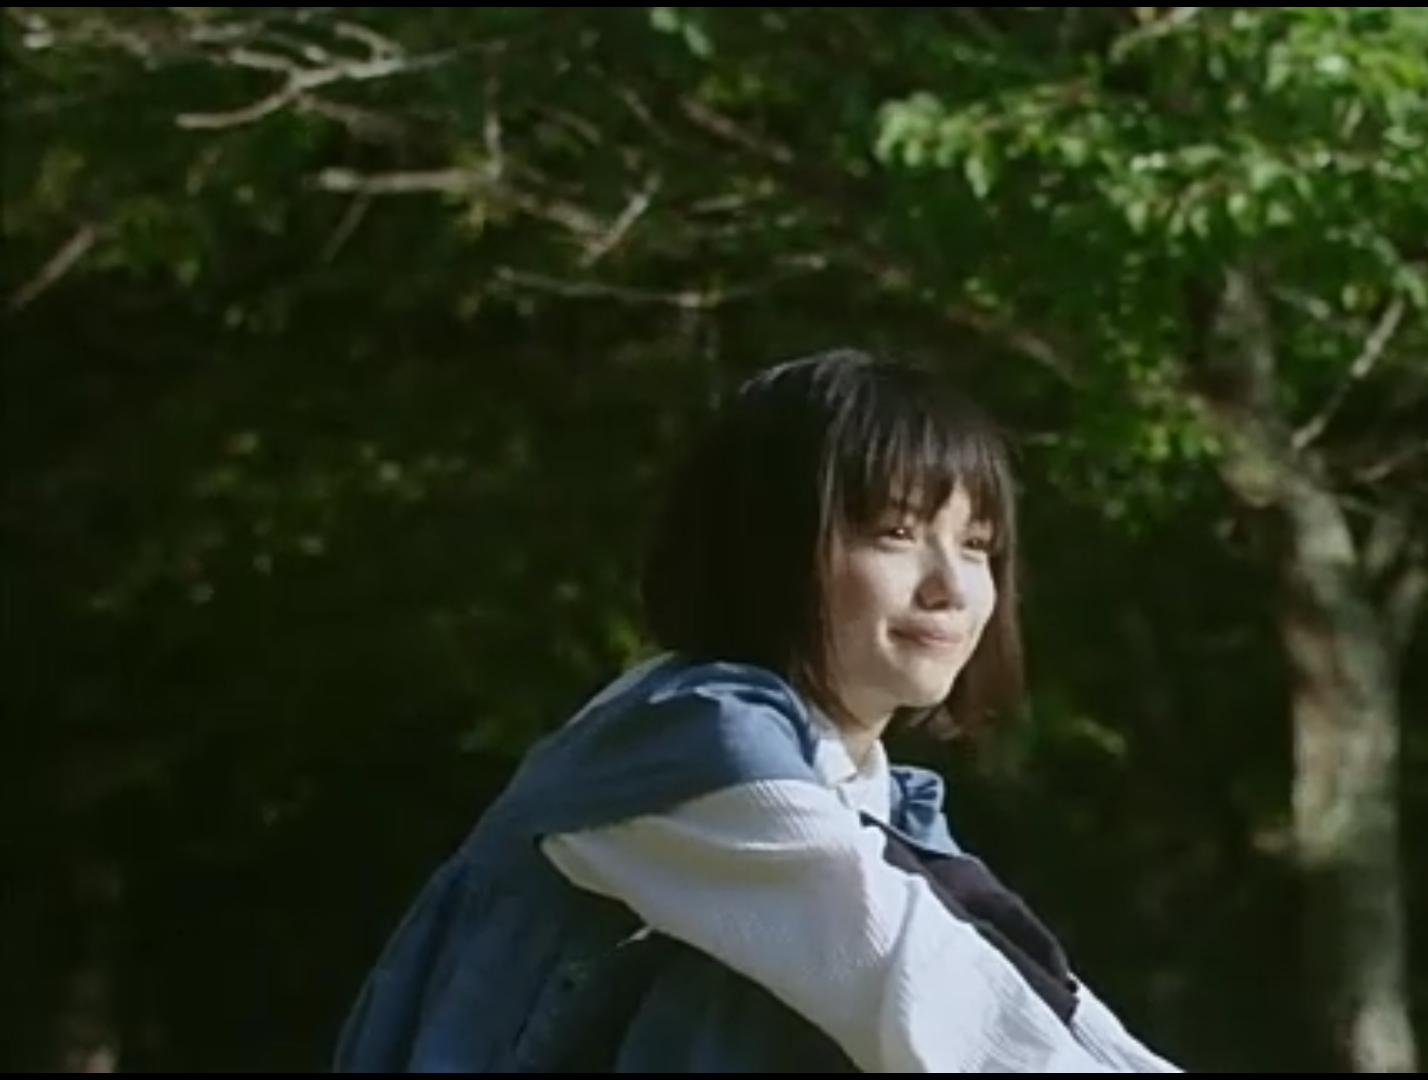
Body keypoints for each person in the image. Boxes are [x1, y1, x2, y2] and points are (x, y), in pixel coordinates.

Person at [332, 348, 1182, 1073]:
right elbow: (925, 989)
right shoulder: (689, 750)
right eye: (894, 533)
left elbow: (1033, 1002)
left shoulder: (867, 790)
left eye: (977, 546)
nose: (951, 588)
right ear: (772, 546)